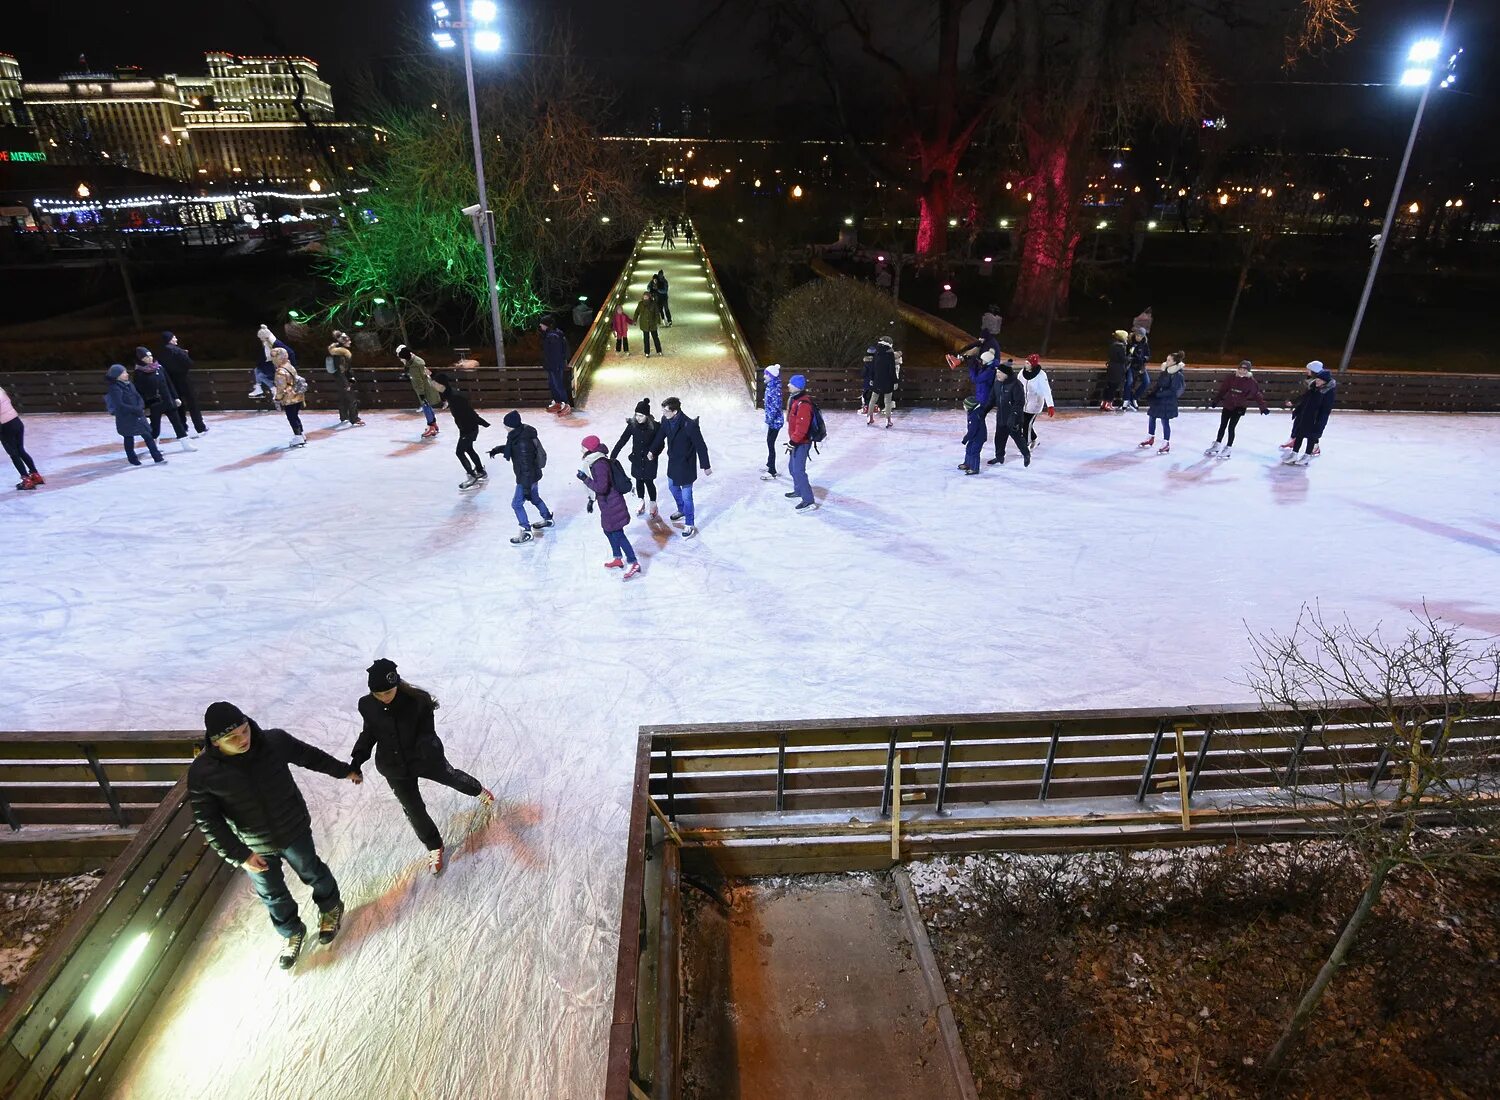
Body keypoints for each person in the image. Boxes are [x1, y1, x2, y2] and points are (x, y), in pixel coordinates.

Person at [189, 701, 356, 969]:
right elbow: (208, 821)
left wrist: (344, 770)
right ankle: (291, 932)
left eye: (244, 730)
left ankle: (331, 906)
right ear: (217, 742)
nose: (243, 739)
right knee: (272, 894)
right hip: (253, 845)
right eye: (233, 738)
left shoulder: (273, 742)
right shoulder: (203, 773)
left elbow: (310, 756)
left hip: (293, 828)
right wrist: (239, 855)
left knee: (311, 870)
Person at [351, 659, 495, 876]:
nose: (383, 698)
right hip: (394, 767)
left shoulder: (418, 701)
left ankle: (478, 790)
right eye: (378, 695)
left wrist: (427, 748)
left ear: (397, 684)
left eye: (388, 692)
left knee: (453, 778)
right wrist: (357, 759)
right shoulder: (367, 705)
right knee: (413, 810)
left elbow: (427, 732)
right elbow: (369, 733)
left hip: (424, 759)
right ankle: (434, 845)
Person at [578, 436, 642, 580]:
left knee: (618, 533)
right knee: (608, 530)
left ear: (590, 449)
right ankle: (618, 558)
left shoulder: (599, 464)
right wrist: (591, 500)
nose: (581, 449)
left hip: (612, 503)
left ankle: (633, 562)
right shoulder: (593, 461)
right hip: (606, 504)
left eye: (583, 446)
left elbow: (601, 487)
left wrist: (585, 479)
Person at [488, 410, 554, 543]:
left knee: (517, 504)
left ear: (511, 425)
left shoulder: (521, 441)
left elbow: (526, 465)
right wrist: (498, 449)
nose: (504, 426)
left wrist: (525, 487)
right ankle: (548, 519)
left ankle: (526, 531)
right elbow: (512, 448)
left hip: (526, 478)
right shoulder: (520, 434)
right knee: (535, 498)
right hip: (532, 476)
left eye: (505, 424)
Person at [650, 396, 711, 537]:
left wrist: (705, 465)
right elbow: (660, 436)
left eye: (666, 411)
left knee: (687, 495)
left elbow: (701, 446)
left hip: (686, 465)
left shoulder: (689, 425)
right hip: (673, 462)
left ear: (675, 411)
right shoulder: (666, 420)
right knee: (672, 487)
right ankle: (682, 509)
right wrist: (652, 451)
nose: (663, 413)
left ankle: (689, 523)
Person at [431, 370, 490, 490]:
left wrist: (481, 422)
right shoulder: (448, 394)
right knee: (469, 449)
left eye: (436, 384)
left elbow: (470, 412)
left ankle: (472, 476)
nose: (434, 386)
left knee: (460, 452)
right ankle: (480, 470)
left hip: (469, 428)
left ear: (442, 385)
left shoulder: (455, 397)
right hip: (466, 427)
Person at [1205, 360, 1269, 458]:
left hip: (1239, 406)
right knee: (1222, 425)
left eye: (1244, 370)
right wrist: (1216, 400)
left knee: (1231, 427)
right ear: (1238, 369)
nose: (1242, 371)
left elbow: (1257, 394)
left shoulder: (1251, 382)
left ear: (1248, 371)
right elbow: (1223, 390)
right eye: (1240, 369)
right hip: (1228, 404)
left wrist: (1263, 407)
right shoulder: (1231, 378)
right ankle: (1217, 444)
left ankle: (1228, 448)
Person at [104, 364, 165, 466]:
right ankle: (132, 458)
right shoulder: (115, 388)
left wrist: (140, 406)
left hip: (138, 415)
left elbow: (138, 396)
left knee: (148, 436)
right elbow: (119, 404)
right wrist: (135, 409)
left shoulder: (129, 384)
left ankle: (157, 457)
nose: (127, 374)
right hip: (126, 417)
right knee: (128, 437)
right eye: (124, 373)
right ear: (117, 375)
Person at [133, 347, 192, 448]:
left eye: (150, 355)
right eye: (146, 357)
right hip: (154, 404)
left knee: (177, 423)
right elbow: (139, 391)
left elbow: (169, 383)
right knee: (155, 426)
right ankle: (154, 446)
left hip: (168, 400)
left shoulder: (159, 368)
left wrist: (175, 397)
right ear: (141, 359)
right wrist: (145, 407)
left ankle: (185, 444)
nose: (150, 358)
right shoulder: (139, 373)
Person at [1281, 360, 1338, 465]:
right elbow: (1304, 397)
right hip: (1305, 415)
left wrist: (1319, 421)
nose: (1317, 382)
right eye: (1317, 380)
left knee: (1311, 437)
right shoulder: (1313, 387)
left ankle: (1307, 455)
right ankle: (1294, 454)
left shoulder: (1327, 393)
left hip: (1315, 418)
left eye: (1320, 381)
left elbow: (1325, 409)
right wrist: (1293, 402)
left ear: (1325, 382)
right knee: (1299, 434)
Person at [611, 398, 661, 516]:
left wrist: (654, 453)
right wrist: (613, 455)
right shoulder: (632, 426)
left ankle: (653, 503)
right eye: (636, 415)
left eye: (641, 415)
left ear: (647, 416)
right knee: (639, 480)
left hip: (650, 460)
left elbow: (661, 444)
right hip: (637, 459)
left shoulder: (654, 427)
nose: (638, 418)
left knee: (649, 482)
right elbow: (623, 440)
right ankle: (641, 500)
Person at [158, 331, 208, 434]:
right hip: (184, 380)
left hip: (172, 382)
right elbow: (189, 363)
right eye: (174, 337)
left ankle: (183, 427)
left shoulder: (161, 352)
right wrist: (185, 354)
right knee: (193, 404)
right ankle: (200, 427)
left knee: (178, 404)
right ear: (170, 339)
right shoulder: (178, 351)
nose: (176, 339)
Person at [985, 359, 1031, 467]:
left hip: (1014, 417)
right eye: (997, 373)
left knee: (1017, 438)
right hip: (1001, 416)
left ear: (1006, 374)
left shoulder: (1016, 385)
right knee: (999, 438)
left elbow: (1019, 403)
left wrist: (1013, 416)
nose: (998, 375)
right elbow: (991, 399)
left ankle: (1026, 454)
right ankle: (999, 457)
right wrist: (984, 411)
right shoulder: (997, 383)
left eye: (1000, 373)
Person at [1139, 351, 1186, 454]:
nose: (1166, 361)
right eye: (1167, 359)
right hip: (1159, 400)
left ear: (1174, 362)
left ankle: (1166, 443)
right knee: (1152, 417)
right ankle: (1150, 437)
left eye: (1169, 360)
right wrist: (1152, 392)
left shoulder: (1177, 375)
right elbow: (1159, 384)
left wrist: (1159, 394)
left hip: (1168, 402)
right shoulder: (1165, 371)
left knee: (1165, 422)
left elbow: (1173, 390)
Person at [784, 374, 819, 512]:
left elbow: (802, 428)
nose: (788, 385)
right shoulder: (795, 399)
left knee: (798, 471)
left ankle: (808, 500)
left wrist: (793, 441)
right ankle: (798, 490)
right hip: (796, 440)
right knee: (792, 468)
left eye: (790, 383)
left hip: (801, 442)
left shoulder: (803, 404)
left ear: (797, 386)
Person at [1, 384, 42, 490]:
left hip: (5, 426)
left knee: (14, 454)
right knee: (20, 450)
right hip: (16, 421)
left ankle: (26, 480)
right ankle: (35, 475)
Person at [397, 344, 441, 439]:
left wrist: (421, 395)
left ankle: (431, 426)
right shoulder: (416, 361)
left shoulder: (414, 366)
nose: (401, 360)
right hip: (427, 386)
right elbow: (425, 373)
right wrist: (409, 376)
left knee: (426, 406)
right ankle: (433, 424)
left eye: (401, 358)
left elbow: (419, 382)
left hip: (424, 390)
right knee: (427, 406)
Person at [271, 347, 308, 448]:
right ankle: (301, 434)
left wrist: (277, 398)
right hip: (298, 395)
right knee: (295, 416)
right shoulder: (289, 365)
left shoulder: (280, 371)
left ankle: (298, 436)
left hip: (289, 398)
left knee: (291, 417)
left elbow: (280, 387)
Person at [326, 330, 364, 428]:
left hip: (341, 379)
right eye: (348, 341)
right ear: (343, 342)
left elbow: (346, 370)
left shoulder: (339, 353)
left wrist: (351, 380)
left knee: (343, 398)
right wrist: (347, 384)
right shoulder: (341, 355)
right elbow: (342, 370)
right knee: (352, 399)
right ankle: (354, 419)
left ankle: (344, 417)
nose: (350, 342)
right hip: (342, 379)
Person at [1020, 354, 1056, 452]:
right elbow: (1018, 384)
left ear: (1033, 364)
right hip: (1024, 402)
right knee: (1023, 423)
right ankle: (1035, 439)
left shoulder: (1041, 375)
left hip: (1035, 404)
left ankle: (1025, 445)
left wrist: (1050, 405)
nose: (1025, 364)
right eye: (1025, 362)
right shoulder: (1022, 372)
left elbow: (1046, 390)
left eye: (1028, 363)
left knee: (1027, 424)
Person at [539, 316, 573, 416]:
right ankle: (558, 402)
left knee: (558, 385)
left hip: (556, 366)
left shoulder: (553, 336)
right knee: (553, 385)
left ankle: (566, 404)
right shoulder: (549, 334)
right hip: (551, 365)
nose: (540, 326)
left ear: (547, 325)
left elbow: (556, 353)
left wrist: (557, 365)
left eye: (542, 324)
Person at [252, 324, 295, 401]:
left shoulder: (276, 344)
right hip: (272, 365)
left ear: (265, 337)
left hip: (280, 368)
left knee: (261, 376)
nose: (261, 340)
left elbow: (291, 353)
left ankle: (273, 389)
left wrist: (291, 365)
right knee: (257, 370)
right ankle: (259, 388)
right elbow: (265, 358)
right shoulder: (267, 344)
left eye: (261, 338)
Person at [865, 336, 900, 428]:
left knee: (873, 400)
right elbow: (891, 370)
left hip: (877, 380)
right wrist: (895, 381)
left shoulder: (876, 353)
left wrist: (872, 379)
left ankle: (869, 417)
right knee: (888, 401)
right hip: (887, 381)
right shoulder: (890, 354)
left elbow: (873, 368)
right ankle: (888, 420)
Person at [761, 363, 784, 480]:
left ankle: (772, 470)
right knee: (769, 442)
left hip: (775, 422)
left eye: (766, 374)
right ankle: (770, 465)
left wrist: (768, 422)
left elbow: (774, 408)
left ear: (772, 376)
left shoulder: (774, 389)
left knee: (770, 443)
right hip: (773, 421)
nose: (764, 376)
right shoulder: (771, 386)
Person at [1123, 327, 1151, 412]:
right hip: (1131, 366)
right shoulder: (1130, 342)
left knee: (1146, 382)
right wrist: (1130, 357)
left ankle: (1134, 398)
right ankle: (1126, 400)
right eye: (1138, 336)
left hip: (1140, 366)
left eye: (1141, 336)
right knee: (1129, 382)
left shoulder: (1144, 343)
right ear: (1135, 334)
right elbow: (1126, 354)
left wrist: (1144, 358)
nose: (1139, 338)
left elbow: (1148, 355)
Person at [1102, 329, 1129, 411]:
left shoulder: (1112, 345)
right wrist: (1129, 358)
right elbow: (1122, 359)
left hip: (1111, 368)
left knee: (1108, 386)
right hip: (1117, 369)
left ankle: (1104, 402)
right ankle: (1108, 403)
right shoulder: (1120, 347)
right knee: (1113, 387)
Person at [959, 396, 985, 475]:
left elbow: (973, 430)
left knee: (974, 452)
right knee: (969, 449)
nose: (964, 407)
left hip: (978, 437)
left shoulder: (975, 415)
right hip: (974, 436)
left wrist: (965, 439)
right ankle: (967, 464)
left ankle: (974, 468)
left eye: (965, 406)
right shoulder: (973, 411)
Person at [634, 290, 663, 358]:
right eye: (644, 297)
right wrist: (634, 320)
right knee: (646, 339)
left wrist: (657, 321)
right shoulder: (640, 304)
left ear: (649, 297)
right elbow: (637, 312)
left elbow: (656, 313)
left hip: (652, 324)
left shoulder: (653, 304)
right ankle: (647, 352)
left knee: (655, 338)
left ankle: (659, 350)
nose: (645, 298)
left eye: (646, 297)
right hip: (644, 324)